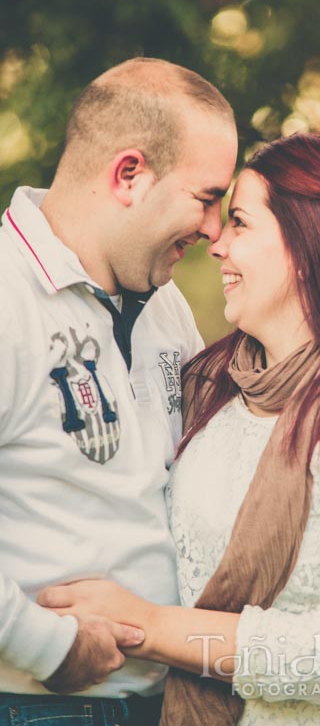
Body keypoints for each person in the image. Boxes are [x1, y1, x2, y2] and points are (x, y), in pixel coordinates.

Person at [39, 133, 320, 725]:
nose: (215, 241)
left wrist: (146, 625)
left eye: (240, 221)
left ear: (305, 246)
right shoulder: (214, 390)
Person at [0, 58, 238, 726]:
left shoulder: (164, 309)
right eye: (205, 196)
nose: (213, 229)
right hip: (44, 708)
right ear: (128, 174)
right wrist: (45, 647)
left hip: (173, 701)